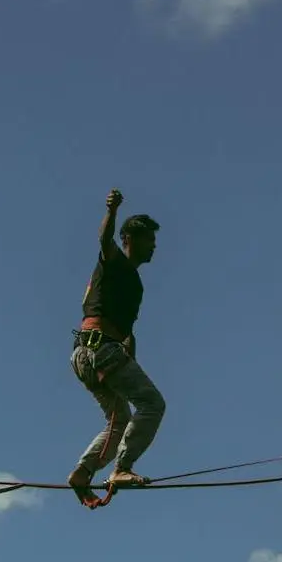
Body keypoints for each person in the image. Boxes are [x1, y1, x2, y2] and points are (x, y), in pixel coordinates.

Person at [67, 188, 166, 509]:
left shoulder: (134, 283)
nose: (154, 246)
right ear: (130, 239)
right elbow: (103, 238)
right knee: (152, 404)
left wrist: (130, 358)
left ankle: (83, 473)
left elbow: (128, 333)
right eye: (148, 239)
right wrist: (112, 209)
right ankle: (121, 469)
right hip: (100, 351)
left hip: (87, 355)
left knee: (119, 420)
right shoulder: (114, 262)